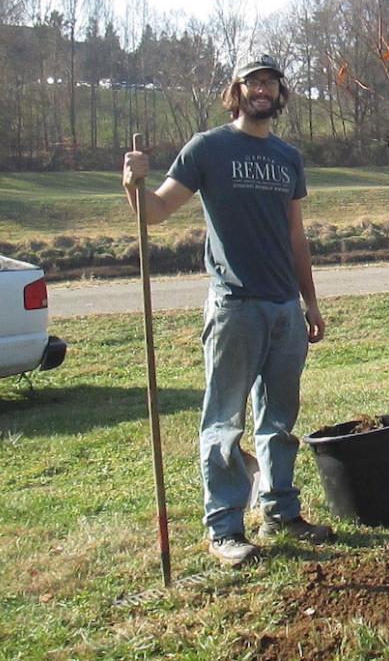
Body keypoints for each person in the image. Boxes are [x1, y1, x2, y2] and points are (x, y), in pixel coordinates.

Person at [122, 53, 331, 567]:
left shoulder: (288, 157)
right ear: (237, 92)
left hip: (284, 307)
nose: (262, 90)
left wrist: (310, 300)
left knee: (279, 420)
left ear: (280, 95)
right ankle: (225, 530)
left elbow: (295, 234)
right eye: (252, 82)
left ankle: (281, 509)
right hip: (235, 306)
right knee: (223, 423)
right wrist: (133, 184)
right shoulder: (208, 149)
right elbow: (156, 212)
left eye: (271, 83)